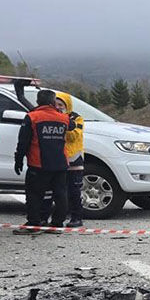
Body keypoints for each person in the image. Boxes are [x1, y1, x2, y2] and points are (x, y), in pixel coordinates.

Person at [14, 89, 71, 235]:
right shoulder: (63, 118)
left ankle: (34, 224)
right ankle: (57, 224)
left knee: (34, 195)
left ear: (38, 101)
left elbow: (23, 142)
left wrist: (18, 159)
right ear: (53, 102)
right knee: (61, 194)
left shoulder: (32, 117)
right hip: (60, 164)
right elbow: (72, 126)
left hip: (39, 164)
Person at [54, 92, 85, 227]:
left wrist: (62, 123)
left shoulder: (77, 119)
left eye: (61, 105)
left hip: (74, 160)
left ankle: (76, 217)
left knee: (74, 191)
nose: (58, 107)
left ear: (67, 106)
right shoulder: (54, 117)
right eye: (55, 104)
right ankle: (59, 217)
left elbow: (73, 136)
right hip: (59, 160)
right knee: (60, 191)